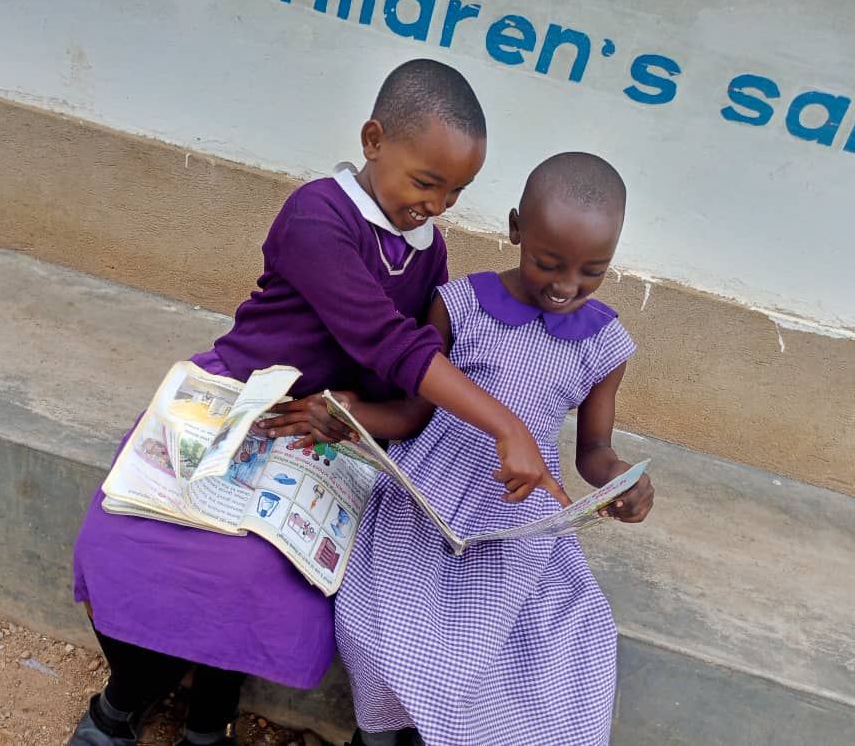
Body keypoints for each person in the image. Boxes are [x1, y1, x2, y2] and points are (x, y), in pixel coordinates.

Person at [67, 59, 564, 746]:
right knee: (126, 543)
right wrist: (507, 426)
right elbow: (390, 341)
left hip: (325, 431)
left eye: (456, 191)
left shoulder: (428, 251)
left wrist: (358, 413)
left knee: (258, 575)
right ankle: (123, 702)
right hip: (239, 398)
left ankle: (210, 717)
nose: (437, 205)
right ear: (373, 140)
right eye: (426, 182)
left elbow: (405, 375)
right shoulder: (317, 216)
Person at [333, 152, 656, 746]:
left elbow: (593, 450)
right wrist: (353, 417)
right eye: (548, 263)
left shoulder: (606, 342)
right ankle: (379, 734)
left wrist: (620, 481)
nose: (566, 286)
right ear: (514, 230)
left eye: (592, 272)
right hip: (427, 490)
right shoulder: (460, 304)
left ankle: (444, 729)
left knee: (551, 640)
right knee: (372, 624)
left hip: (519, 508)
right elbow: (413, 411)